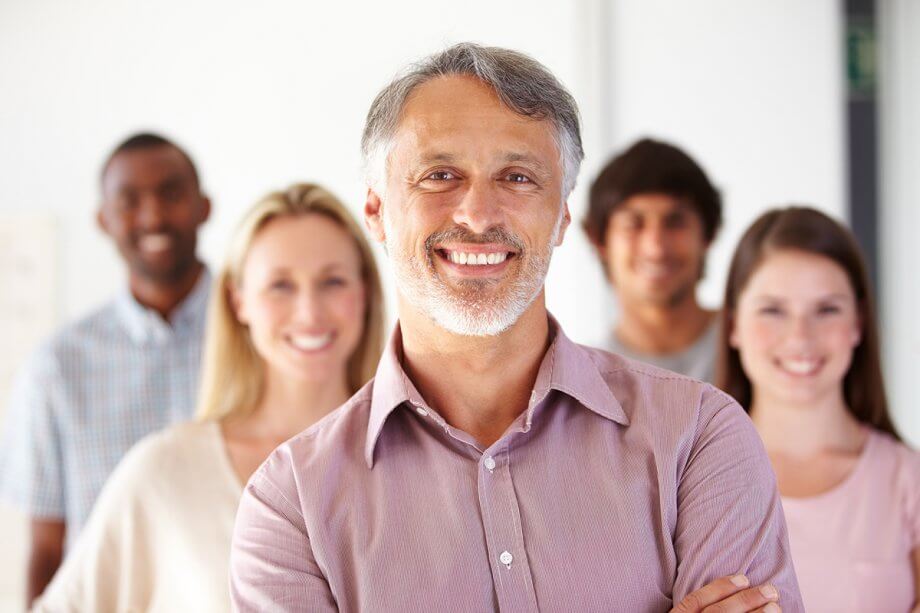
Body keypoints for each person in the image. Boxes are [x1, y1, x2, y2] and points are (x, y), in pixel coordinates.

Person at [229, 44, 802, 612]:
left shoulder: (698, 440)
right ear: (377, 211)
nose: (478, 214)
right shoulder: (291, 507)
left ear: (562, 216)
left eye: (518, 177)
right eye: (440, 174)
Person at [31, 183, 385, 612]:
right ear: (239, 302)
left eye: (332, 281)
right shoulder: (166, 470)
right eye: (280, 286)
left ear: (364, 293)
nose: (309, 311)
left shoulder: (417, 460)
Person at [0, 132, 212, 602]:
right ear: (103, 219)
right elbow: (46, 546)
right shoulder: (56, 367)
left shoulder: (267, 335)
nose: (153, 215)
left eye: (171, 194)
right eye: (129, 201)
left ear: (204, 207)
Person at [716, 206, 920, 613]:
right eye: (773, 310)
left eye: (827, 310)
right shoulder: (687, 482)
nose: (800, 338)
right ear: (734, 324)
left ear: (859, 323)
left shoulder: (907, 480)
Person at [583, 138, 722, 382]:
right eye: (633, 224)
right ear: (599, 241)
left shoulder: (761, 350)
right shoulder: (585, 380)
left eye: (675, 222)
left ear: (708, 234)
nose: (656, 248)